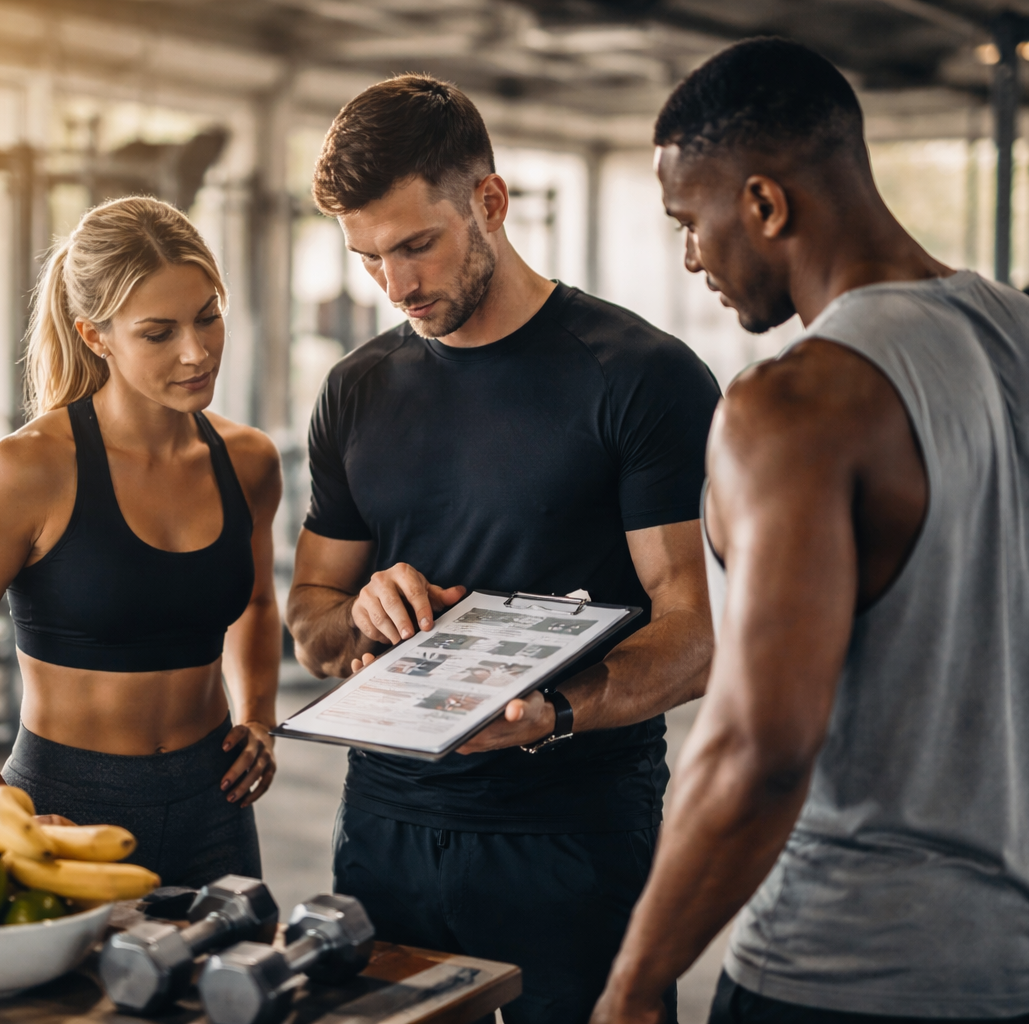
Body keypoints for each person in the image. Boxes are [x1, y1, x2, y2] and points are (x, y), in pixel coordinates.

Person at [590, 38, 1029, 1024]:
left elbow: (759, 747)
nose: (690, 255)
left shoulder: (792, 406)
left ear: (765, 204)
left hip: (837, 977)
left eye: (690, 221)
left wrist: (636, 987)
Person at [286, 74, 722, 1024]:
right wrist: (356, 612)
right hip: (388, 826)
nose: (398, 287)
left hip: (572, 831)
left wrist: (554, 712)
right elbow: (311, 621)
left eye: (417, 246)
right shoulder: (355, 389)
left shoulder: (643, 378)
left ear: (488, 202)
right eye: (368, 260)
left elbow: (691, 635)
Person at [0, 196, 282, 888]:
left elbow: (254, 601)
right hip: (67, 811)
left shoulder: (249, 461)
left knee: (238, 993)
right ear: (95, 336)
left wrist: (257, 715)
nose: (197, 352)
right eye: (158, 333)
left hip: (214, 802)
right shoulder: (26, 472)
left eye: (208, 317)